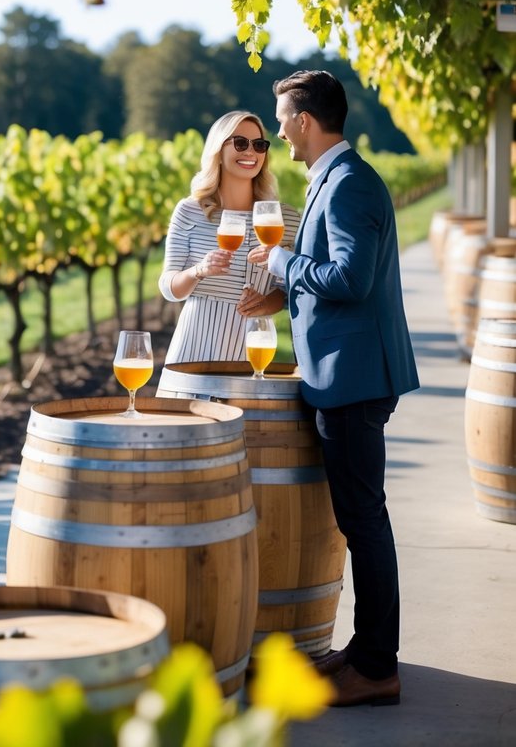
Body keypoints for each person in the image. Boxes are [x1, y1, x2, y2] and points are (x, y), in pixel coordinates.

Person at [248, 69, 420, 708]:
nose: (275, 133)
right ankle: (367, 649)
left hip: (352, 377)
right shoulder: (336, 180)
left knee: (364, 521)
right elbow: (347, 278)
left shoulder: (347, 184)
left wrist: (281, 262)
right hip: (346, 372)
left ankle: (377, 667)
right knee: (361, 517)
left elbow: (348, 279)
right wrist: (285, 289)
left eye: (280, 119)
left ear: (302, 120)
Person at [157, 110, 300, 364]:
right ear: (217, 152)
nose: (250, 152)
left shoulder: (283, 218)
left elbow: (287, 289)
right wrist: (199, 270)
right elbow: (169, 287)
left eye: (259, 145)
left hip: (254, 345)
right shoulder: (190, 211)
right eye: (240, 143)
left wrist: (265, 304)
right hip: (195, 344)